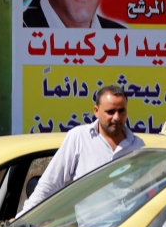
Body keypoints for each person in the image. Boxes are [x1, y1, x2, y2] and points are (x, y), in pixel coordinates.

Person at [19, 85, 143, 213]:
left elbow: (152, 190)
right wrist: (23, 218)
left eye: (121, 111)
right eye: (110, 112)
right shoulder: (79, 138)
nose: (116, 117)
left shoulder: (137, 145)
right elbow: (50, 184)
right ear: (96, 111)